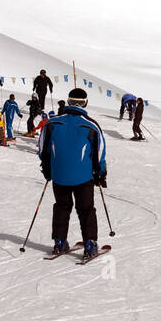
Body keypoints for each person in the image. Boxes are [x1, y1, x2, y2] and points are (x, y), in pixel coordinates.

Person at [39, 88, 107, 259]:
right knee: (86, 209)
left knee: (62, 207)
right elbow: (100, 152)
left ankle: (59, 242)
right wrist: (101, 173)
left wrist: (47, 167)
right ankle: (90, 244)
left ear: (68, 101)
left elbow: (42, 149)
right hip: (83, 177)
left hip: (59, 175)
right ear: (85, 103)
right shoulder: (91, 125)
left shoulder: (52, 123)